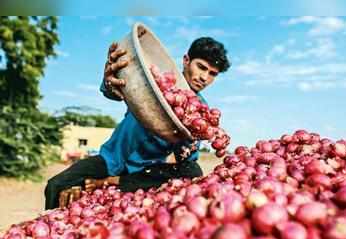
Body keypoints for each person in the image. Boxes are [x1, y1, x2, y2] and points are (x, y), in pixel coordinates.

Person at [44, 36, 231, 210]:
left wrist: (191, 139)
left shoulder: (200, 111)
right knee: (56, 185)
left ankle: (115, 182)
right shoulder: (156, 81)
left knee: (193, 171)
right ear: (186, 60)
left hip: (145, 171)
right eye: (201, 67)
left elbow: (186, 160)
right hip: (111, 159)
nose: (204, 77)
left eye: (212, 73)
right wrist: (110, 80)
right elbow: (115, 90)